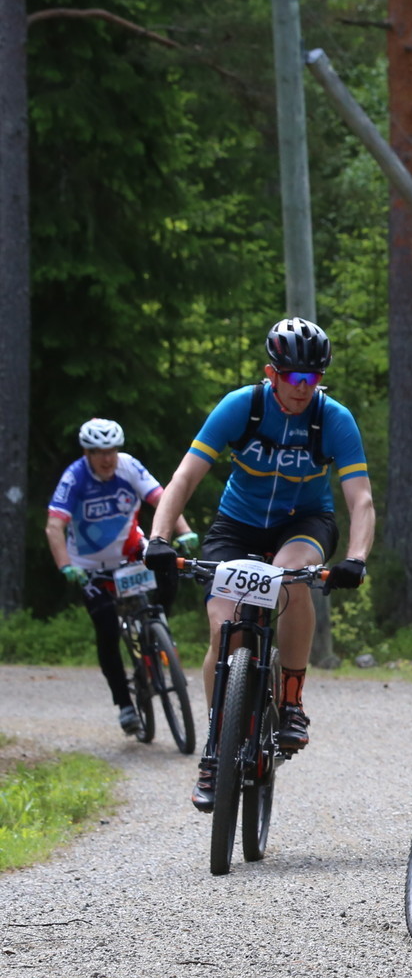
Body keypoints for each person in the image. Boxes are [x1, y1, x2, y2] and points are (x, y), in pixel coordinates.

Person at [144, 318, 373, 809]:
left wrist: (356, 557)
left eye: (313, 378)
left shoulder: (333, 419)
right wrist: (159, 538)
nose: (303, 388)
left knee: (291, 577)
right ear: (272, 374)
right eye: (294, 378)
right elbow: (184, 477)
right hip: (237, 524)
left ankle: (290, 701)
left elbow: (361, 500)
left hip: (304, 522)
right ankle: (216, 749)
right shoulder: (241, 407)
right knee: (223, 627)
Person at [45, 418, 197, 734]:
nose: (107, 458)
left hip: (131, 552)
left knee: (169, 567)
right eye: (99, 452)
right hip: (90, 567)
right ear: (87, 453)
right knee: (106, 629)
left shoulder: (128, 466)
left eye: (112, 450)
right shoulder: (75, 477)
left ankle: (157, 627)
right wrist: (65, 566)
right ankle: (125, 705)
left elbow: (161, 498)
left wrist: (184, 531)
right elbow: (54, 526)